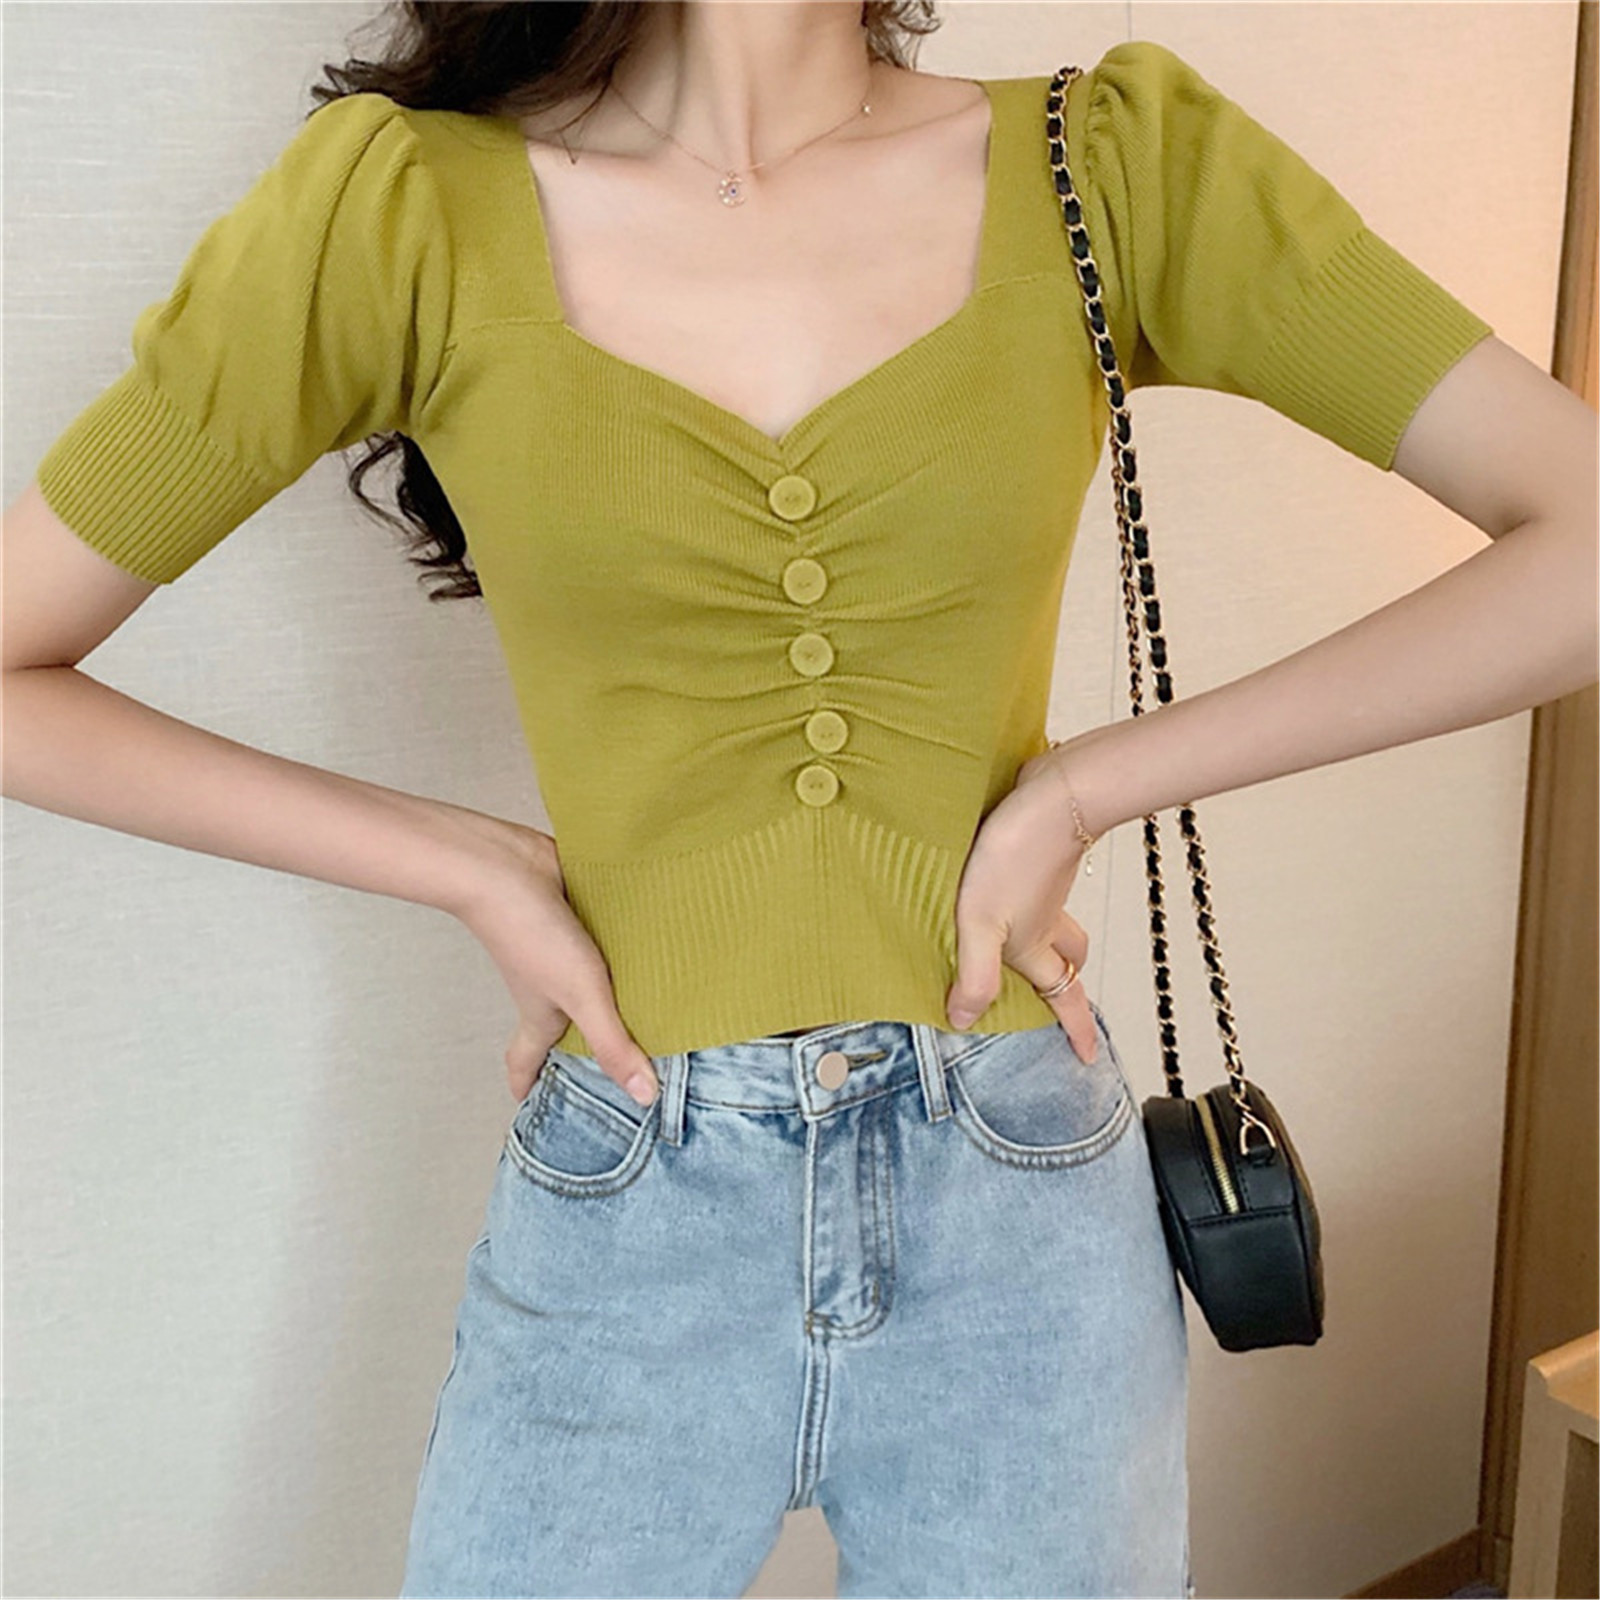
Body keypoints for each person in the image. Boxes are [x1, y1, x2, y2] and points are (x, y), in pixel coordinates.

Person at [5, 2, 1594, 1596]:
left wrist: (1092, 786)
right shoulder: (400, 210)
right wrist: (466, 864)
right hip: (633, 1184)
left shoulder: (1111, 169)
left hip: (1021, 1197)